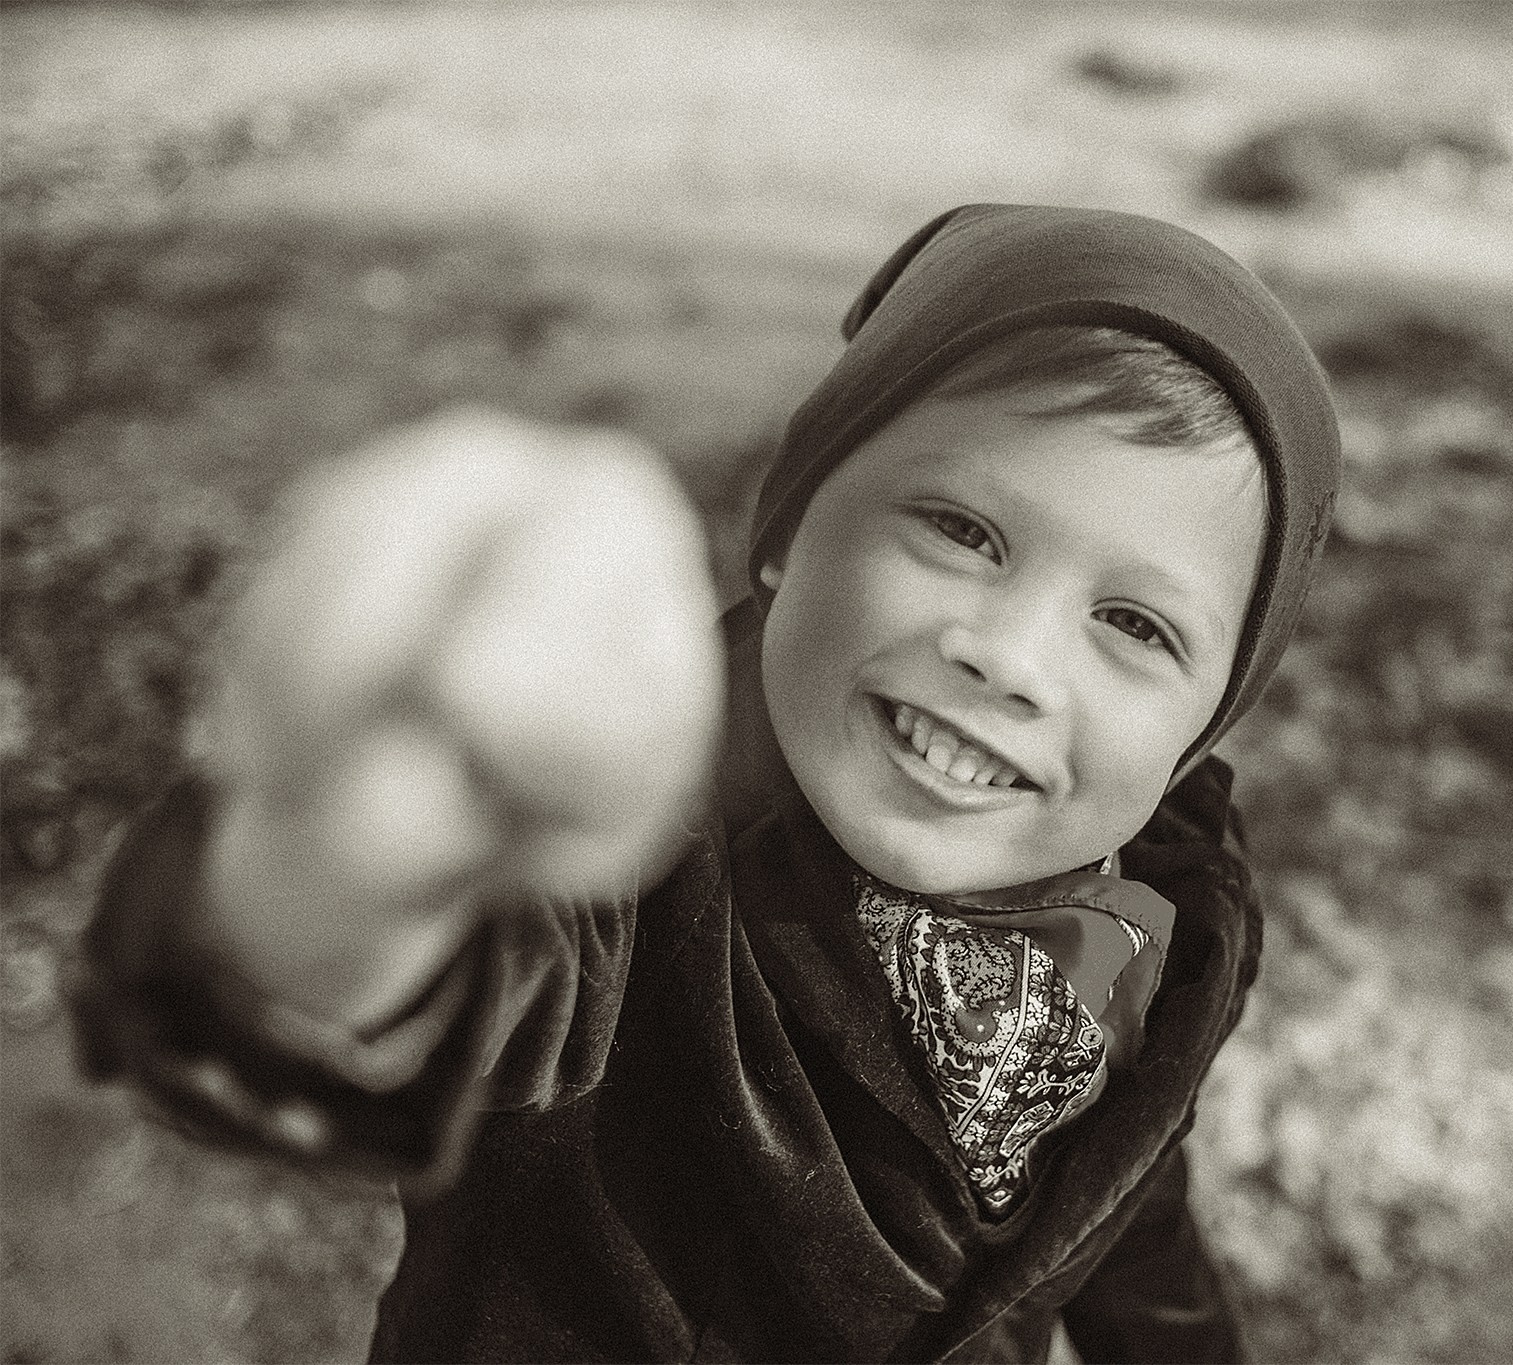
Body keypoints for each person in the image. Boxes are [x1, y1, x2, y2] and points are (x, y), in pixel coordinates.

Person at [69, 203, 1340, 1363]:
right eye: (961, 531)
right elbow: (393, 997)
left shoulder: (1169, 921)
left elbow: (1128, 1225)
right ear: (788, 525)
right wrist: (345, 841)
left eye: (1133, 625)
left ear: (1201, 724)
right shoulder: (632, 862)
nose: (1006, 659)